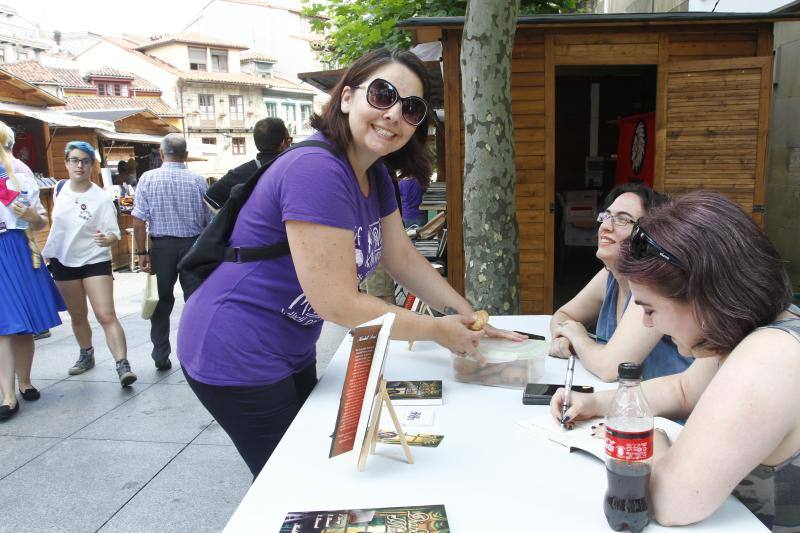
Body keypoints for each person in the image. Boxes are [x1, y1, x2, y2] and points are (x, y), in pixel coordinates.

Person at [177, 48, 523, 478]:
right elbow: (338, 304)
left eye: (412, 108)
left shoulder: (375, 172)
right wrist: (439, 331)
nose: (395, 113)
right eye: (382, 95)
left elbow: (401, 257)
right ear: (346, 98)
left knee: (312, 466)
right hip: (234, 347)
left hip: (288, 344)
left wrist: (467, 315)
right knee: (290, 481)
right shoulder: (316, 170)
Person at [550, 190, 800, 531]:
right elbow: (683, 390)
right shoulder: (751, 331)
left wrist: (653, 441)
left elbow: (674, 502)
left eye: (650, 309)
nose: (649, 325)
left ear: (702, 294)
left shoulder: (770, 355)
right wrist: (596, 402)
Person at [548, 182, 693, 382]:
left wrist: (578, 337)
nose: (605, 226)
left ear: (648, 234)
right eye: (606, 216)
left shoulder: (654, 284)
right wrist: (566, 337)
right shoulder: (610, 275)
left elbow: (610, 368)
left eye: (622, 219)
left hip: (667, 410)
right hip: (622, 402)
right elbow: (563, 315)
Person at [41, 142, 137, 387]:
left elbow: (114, 233)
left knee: (105, 314)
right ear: (67, 163)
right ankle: (87, 353)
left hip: (95, 259)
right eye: (75, 160)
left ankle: (122, 364)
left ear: (92, 165)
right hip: (63, 261)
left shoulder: (101, 197)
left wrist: (109, 239)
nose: (80, 165)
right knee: (77, 315)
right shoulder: (59, 189)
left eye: (85, 161)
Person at [0, 125, 65, 419]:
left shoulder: (22, 177)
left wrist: (29, 215)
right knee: (4, 327)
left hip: (18, 250)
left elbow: (40, 222)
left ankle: (23, 382)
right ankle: (8, 395)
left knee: (22, 326)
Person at [131, 133, 211, 370]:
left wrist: (142, 253)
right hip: (192, 247)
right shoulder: (198, 180)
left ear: (161, 152)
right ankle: (196, 353)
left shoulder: (148, 178)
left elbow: (138, 220)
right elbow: (209, 221)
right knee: (195, 302)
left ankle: (160, 354)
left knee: (160, 302)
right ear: (185, 155)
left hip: (161, 248)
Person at [203, 117, 291, 212]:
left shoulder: (244, 171)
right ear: (283, 143)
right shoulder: (293, 166)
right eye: (289, 140)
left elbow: (210, 197)